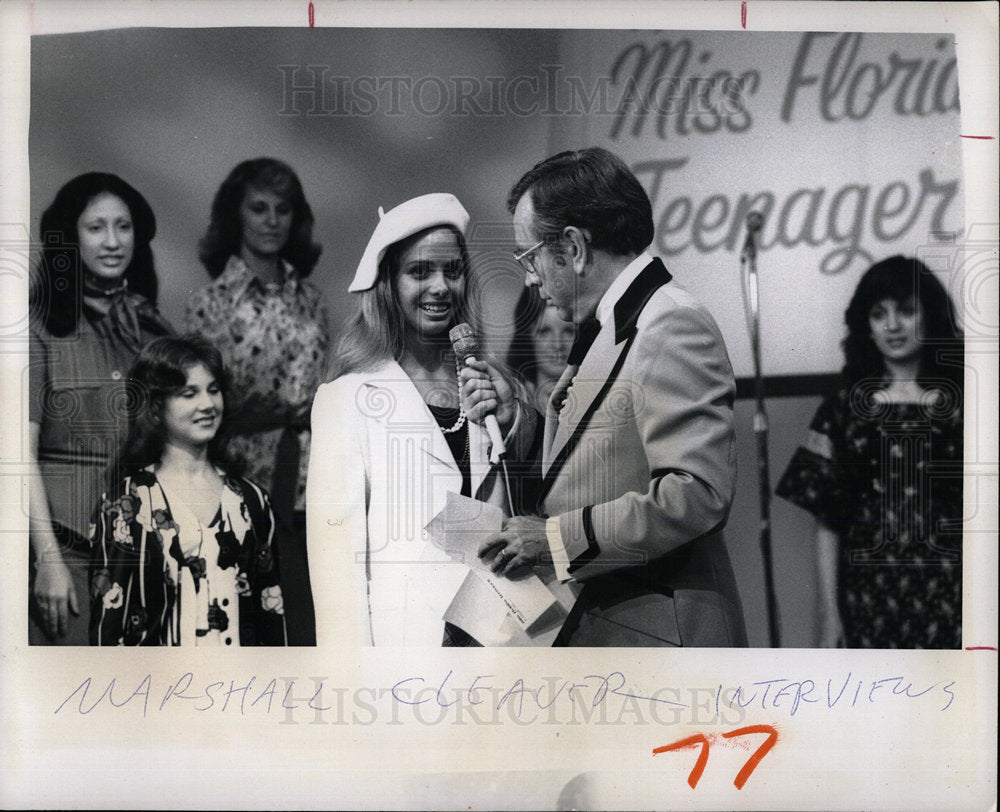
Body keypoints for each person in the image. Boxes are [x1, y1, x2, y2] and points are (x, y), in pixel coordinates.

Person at [480, 147, 747, 647]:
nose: (530, 277)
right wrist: (520, 417)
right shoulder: (619, 320)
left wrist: (554, 539)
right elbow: (598, 458)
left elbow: (696, 494)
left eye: (529, 256)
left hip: (660, 637)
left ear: (574, 248)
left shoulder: (669, 322)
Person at [307, 193, 537, 646]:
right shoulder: (348, 399)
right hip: (405, 656)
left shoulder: (490, 386)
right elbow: (336, 571)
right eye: (419, 271)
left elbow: (527, 508)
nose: (440, 287)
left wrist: (514, 420)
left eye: (452, 271)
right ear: (388, 284)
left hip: (495, 646)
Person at [776, 256, 964, 649]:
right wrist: (830, 614)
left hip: (954, 597)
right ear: (867, 325)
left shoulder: (970, 406)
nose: (893, 325)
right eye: (879, 314)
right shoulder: (844, 408)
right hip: (865, 601)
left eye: (906, 311)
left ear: (930, 316)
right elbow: (828, 523)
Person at [28, 172, 174, 645]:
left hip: (142, 551)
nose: (113, 242)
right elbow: (16, 455)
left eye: (123, 227)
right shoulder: (37, 331)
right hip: (62, 548)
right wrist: (47, 559)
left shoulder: (152, 330)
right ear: (70, 239)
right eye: (95, 228)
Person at [186, 158, 327, 645]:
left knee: (304, 619)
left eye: (282, 209)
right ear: (236, 216)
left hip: (308, 480)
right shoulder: (209, 303)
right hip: (238, 471)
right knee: (246, 621)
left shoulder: (312, 301)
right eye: (259, 208)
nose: (271, 221)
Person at [90, 335, 287, 646]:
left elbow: (273, 617)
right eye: (188, 393)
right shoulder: (124, 505)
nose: (207, 404)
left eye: (213, 390)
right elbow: (107, 624)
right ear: (155, 409)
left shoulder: (253, 502)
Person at [508, 285, 576, 415]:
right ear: (527, 337)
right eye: (544, 332)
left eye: (569, 331)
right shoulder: (511, 405)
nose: (558, 344)